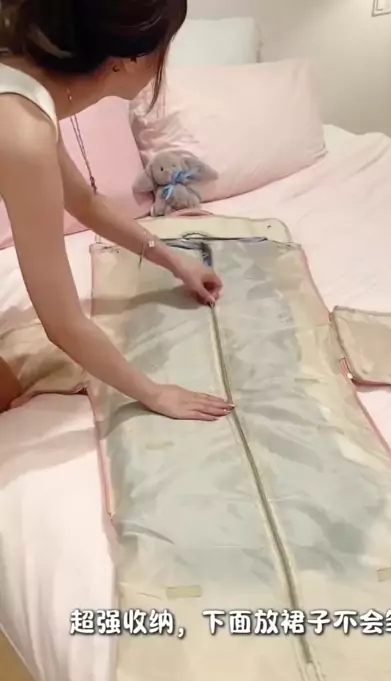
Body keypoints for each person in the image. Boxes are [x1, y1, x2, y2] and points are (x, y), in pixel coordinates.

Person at [0, 0, 234, 420]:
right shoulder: (21, 128)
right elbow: (63, 323)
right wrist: (154, 393)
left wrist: (174, 261)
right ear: (131, 58)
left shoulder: (26, 89)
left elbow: (84, 202)